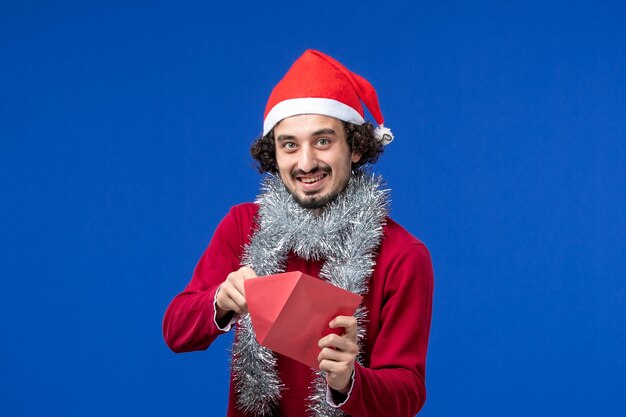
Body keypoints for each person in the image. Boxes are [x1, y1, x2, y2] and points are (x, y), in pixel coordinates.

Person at [163, 49, 434, 417]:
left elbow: (408, 393)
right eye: (289, 145)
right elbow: (176, 331)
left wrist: (349, 380)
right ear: (273, 154)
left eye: (323, 141)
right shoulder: (243, 225)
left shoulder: (403, 255)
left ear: (355, 148)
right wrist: (220, 301)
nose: (306, 163)